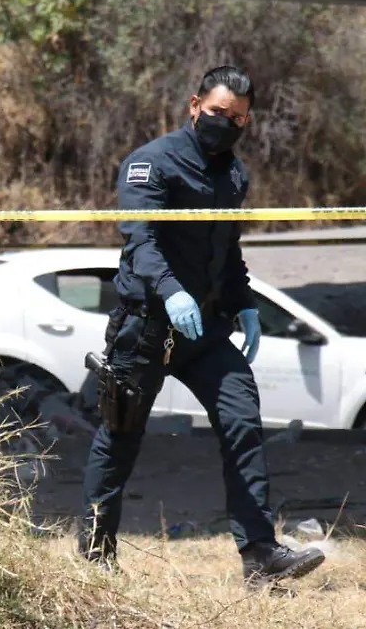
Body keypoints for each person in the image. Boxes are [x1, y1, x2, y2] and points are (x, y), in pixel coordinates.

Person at [78, 66, 325, 587]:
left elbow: (227, 253)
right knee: (120, 435)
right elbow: (140, 242)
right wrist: (171, 291)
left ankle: (260, 554)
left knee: (242, 419)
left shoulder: (234, 175)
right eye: (218, 113)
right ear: (194, 105)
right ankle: (95, 556)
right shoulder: (151, 163)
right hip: (145, 327)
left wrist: (246, 303)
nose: (227, 124)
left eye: (238, 118)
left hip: (204, 332)